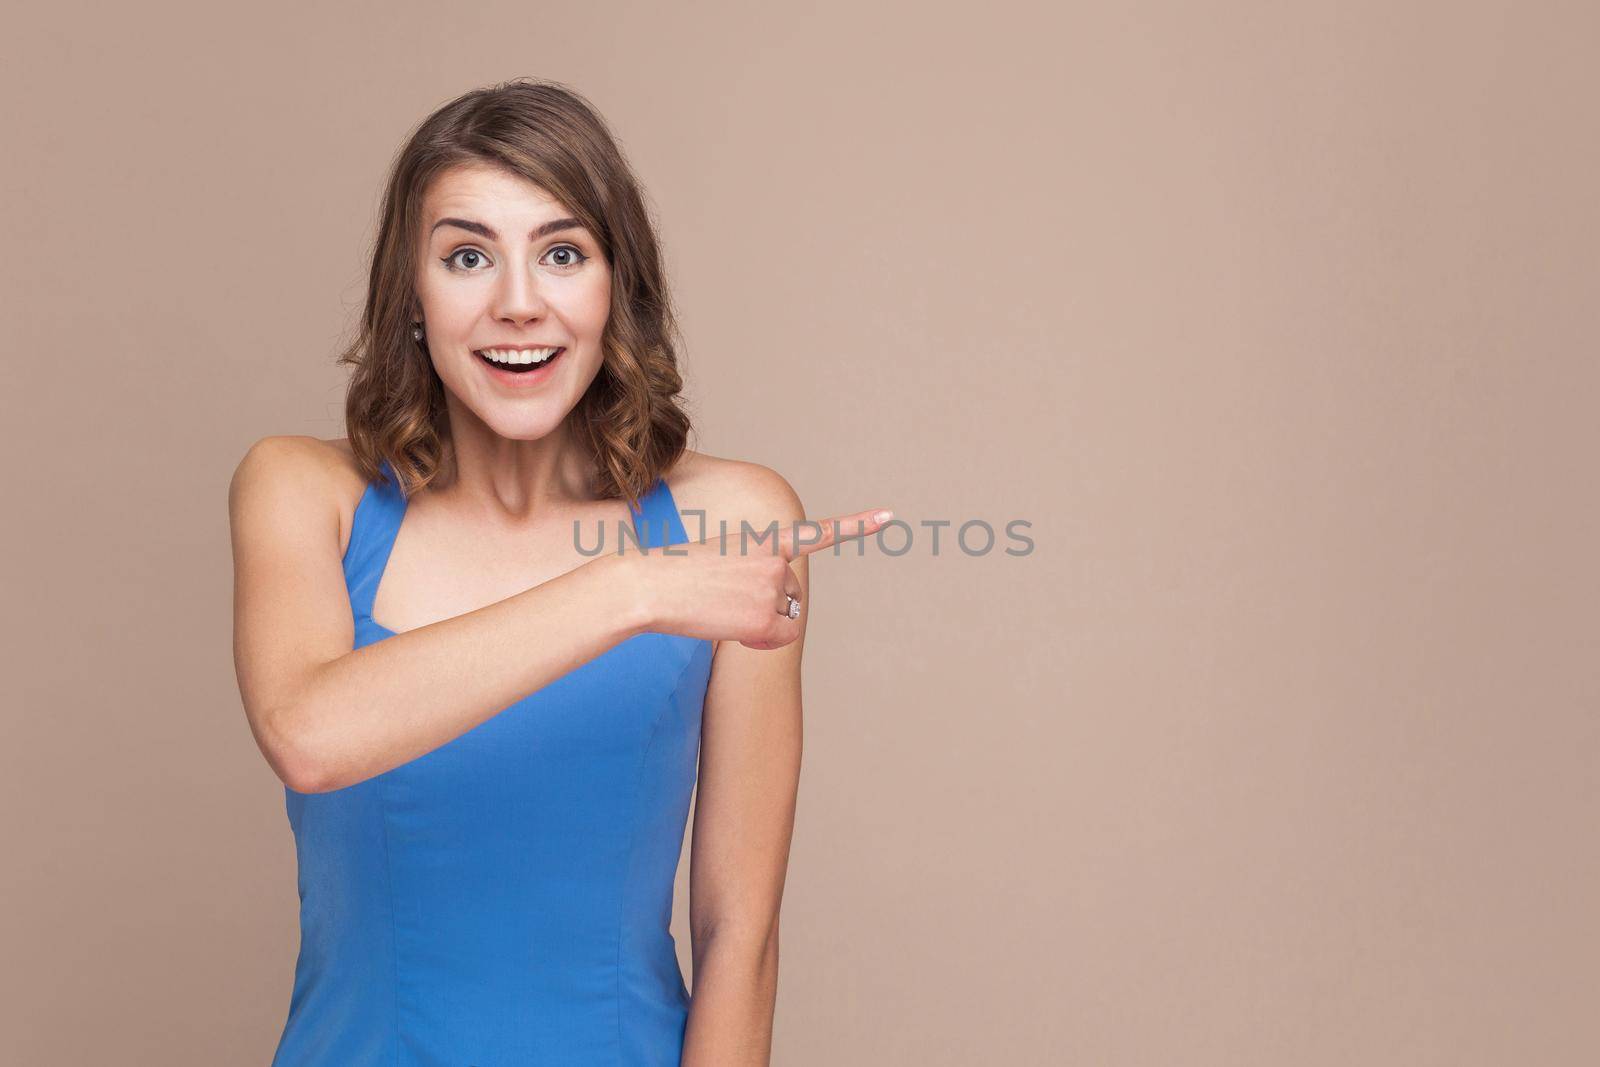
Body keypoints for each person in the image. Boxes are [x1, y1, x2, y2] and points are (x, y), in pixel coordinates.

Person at [227, 78, 892, 1066]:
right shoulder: (300, 488)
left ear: (614, 284)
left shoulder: (736, 519)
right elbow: (311, 735)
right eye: (465, 256)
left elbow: (738, 933)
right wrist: (633, 587)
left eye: (562, 253)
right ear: (410, 293)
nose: (517, 304)